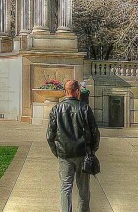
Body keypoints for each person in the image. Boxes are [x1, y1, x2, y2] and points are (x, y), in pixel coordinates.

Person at [46, 79, 100, 212]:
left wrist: (57, 152)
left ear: (65, 92)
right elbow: (95, 133)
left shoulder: (56, 109)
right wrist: (92, 150)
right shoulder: (85, 108)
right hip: (82, 153)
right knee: (83, 189)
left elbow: (49, 136)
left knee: (65, 188)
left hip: (64, 154)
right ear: (77, 91)